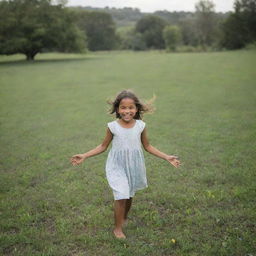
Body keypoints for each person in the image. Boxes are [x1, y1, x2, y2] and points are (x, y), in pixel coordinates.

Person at [70, 90, 180, 239]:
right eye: (123, 107)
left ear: (136, 109)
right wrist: (84, 155)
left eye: (131, 108)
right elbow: (103, 146)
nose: (127, 111)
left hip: (134, 165)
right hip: (117, 165)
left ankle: (123, 217)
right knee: (121, 194)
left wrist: (167, 157)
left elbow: (147, 146)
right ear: (117, 109)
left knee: (129, 195)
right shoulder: (112, 127)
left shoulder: (140, 126)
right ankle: (117, 228)